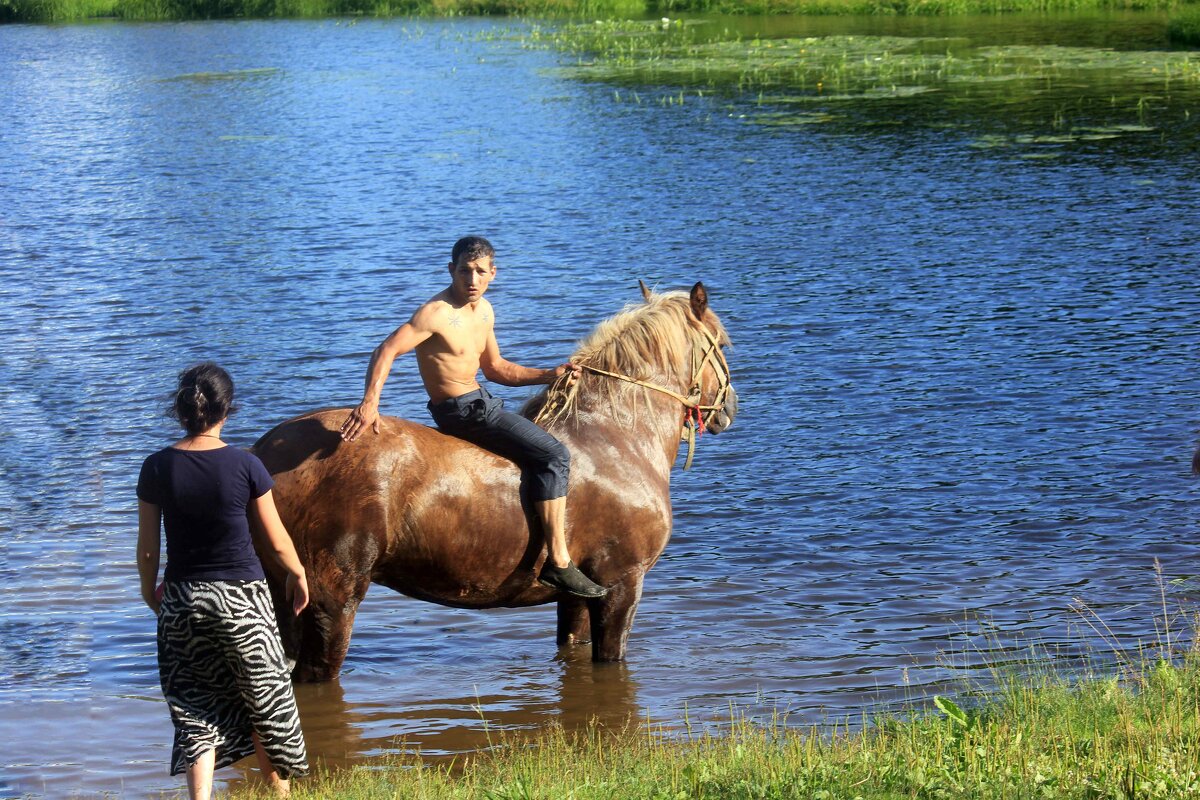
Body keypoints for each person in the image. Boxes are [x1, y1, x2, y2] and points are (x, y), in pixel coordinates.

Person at [338, 235, 607, 599]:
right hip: (462, 412)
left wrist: (549, 374)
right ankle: (558, 563)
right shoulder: (435, 314)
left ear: (493, 273)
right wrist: (370, 402)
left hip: (482, 401)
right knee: (555, 455)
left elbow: (497, 369)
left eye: (480, 271)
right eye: (465, 270)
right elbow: (385, 350)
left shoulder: (484, 311)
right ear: (452, 270)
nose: (472, 279)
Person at [137, 362, 310, 800]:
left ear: (180, 411)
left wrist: (149, 589)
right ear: (226, 410)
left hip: (182, 601)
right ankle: (281, 795)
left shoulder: (156, 467)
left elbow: (147, 548)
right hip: (242, 602)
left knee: (195, 709)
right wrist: (298, 573)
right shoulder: (245, 465)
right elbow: (275, 542)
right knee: (267, 701)